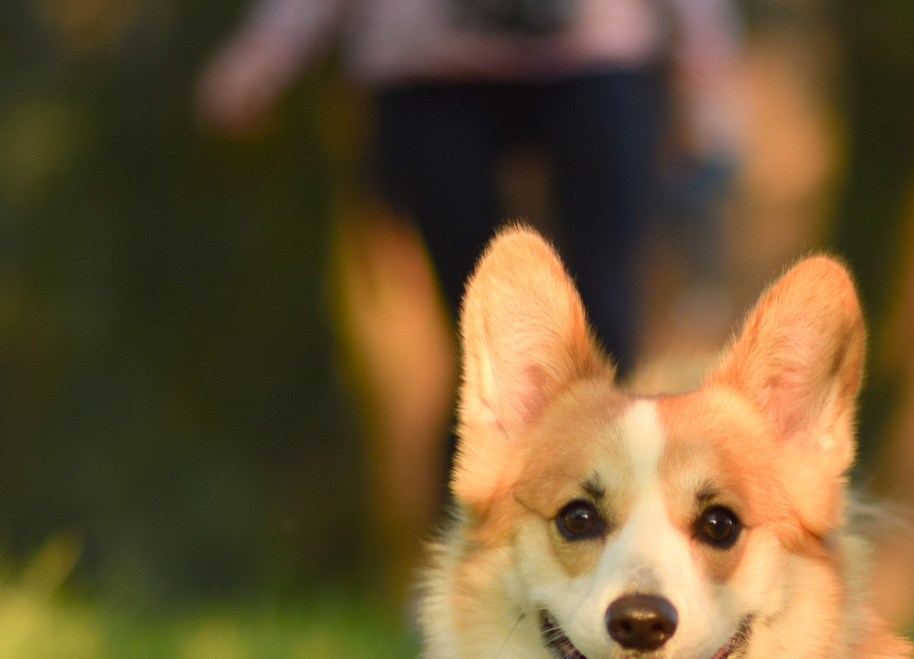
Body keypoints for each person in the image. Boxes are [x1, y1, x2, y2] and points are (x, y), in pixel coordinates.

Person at [198, 0, 744, 378]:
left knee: (608, 311)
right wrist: (267, 51)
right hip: (424, 72)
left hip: (595, 61)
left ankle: (603, 486)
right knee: (476, 329)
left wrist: (708, 74)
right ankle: (481, 511)